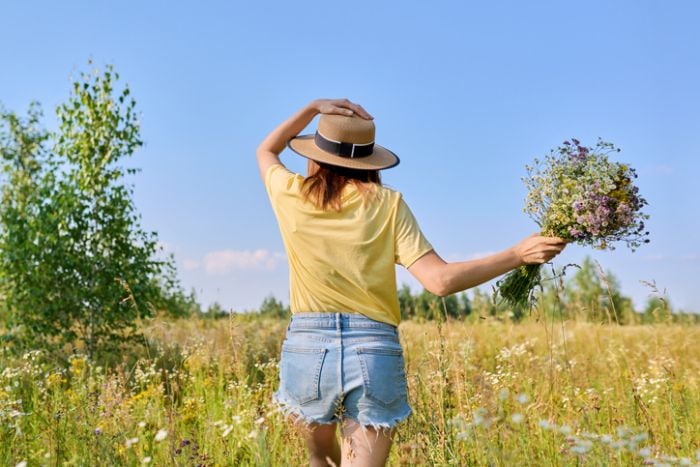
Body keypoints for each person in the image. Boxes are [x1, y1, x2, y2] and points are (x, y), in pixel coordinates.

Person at [256, 98, 567, 466]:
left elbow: (267, 148)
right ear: (369, 162)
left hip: (307, 348)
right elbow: (440, 281)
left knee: (319, 460)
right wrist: (517, 255)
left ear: (315, 156)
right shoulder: (387, 204)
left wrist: (313, 108)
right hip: (373, 350)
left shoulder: (290, 193)